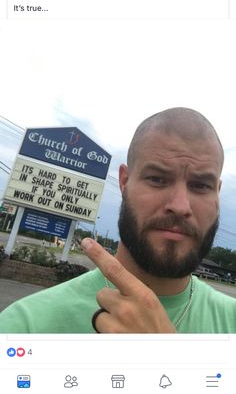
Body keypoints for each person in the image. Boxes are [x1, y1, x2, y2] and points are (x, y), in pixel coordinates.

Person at [0, 107, 236, 333]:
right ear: (124, 181)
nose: (180, 206)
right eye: (157, 179)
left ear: (217, 191)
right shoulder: (25, 326)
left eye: (200, 185)